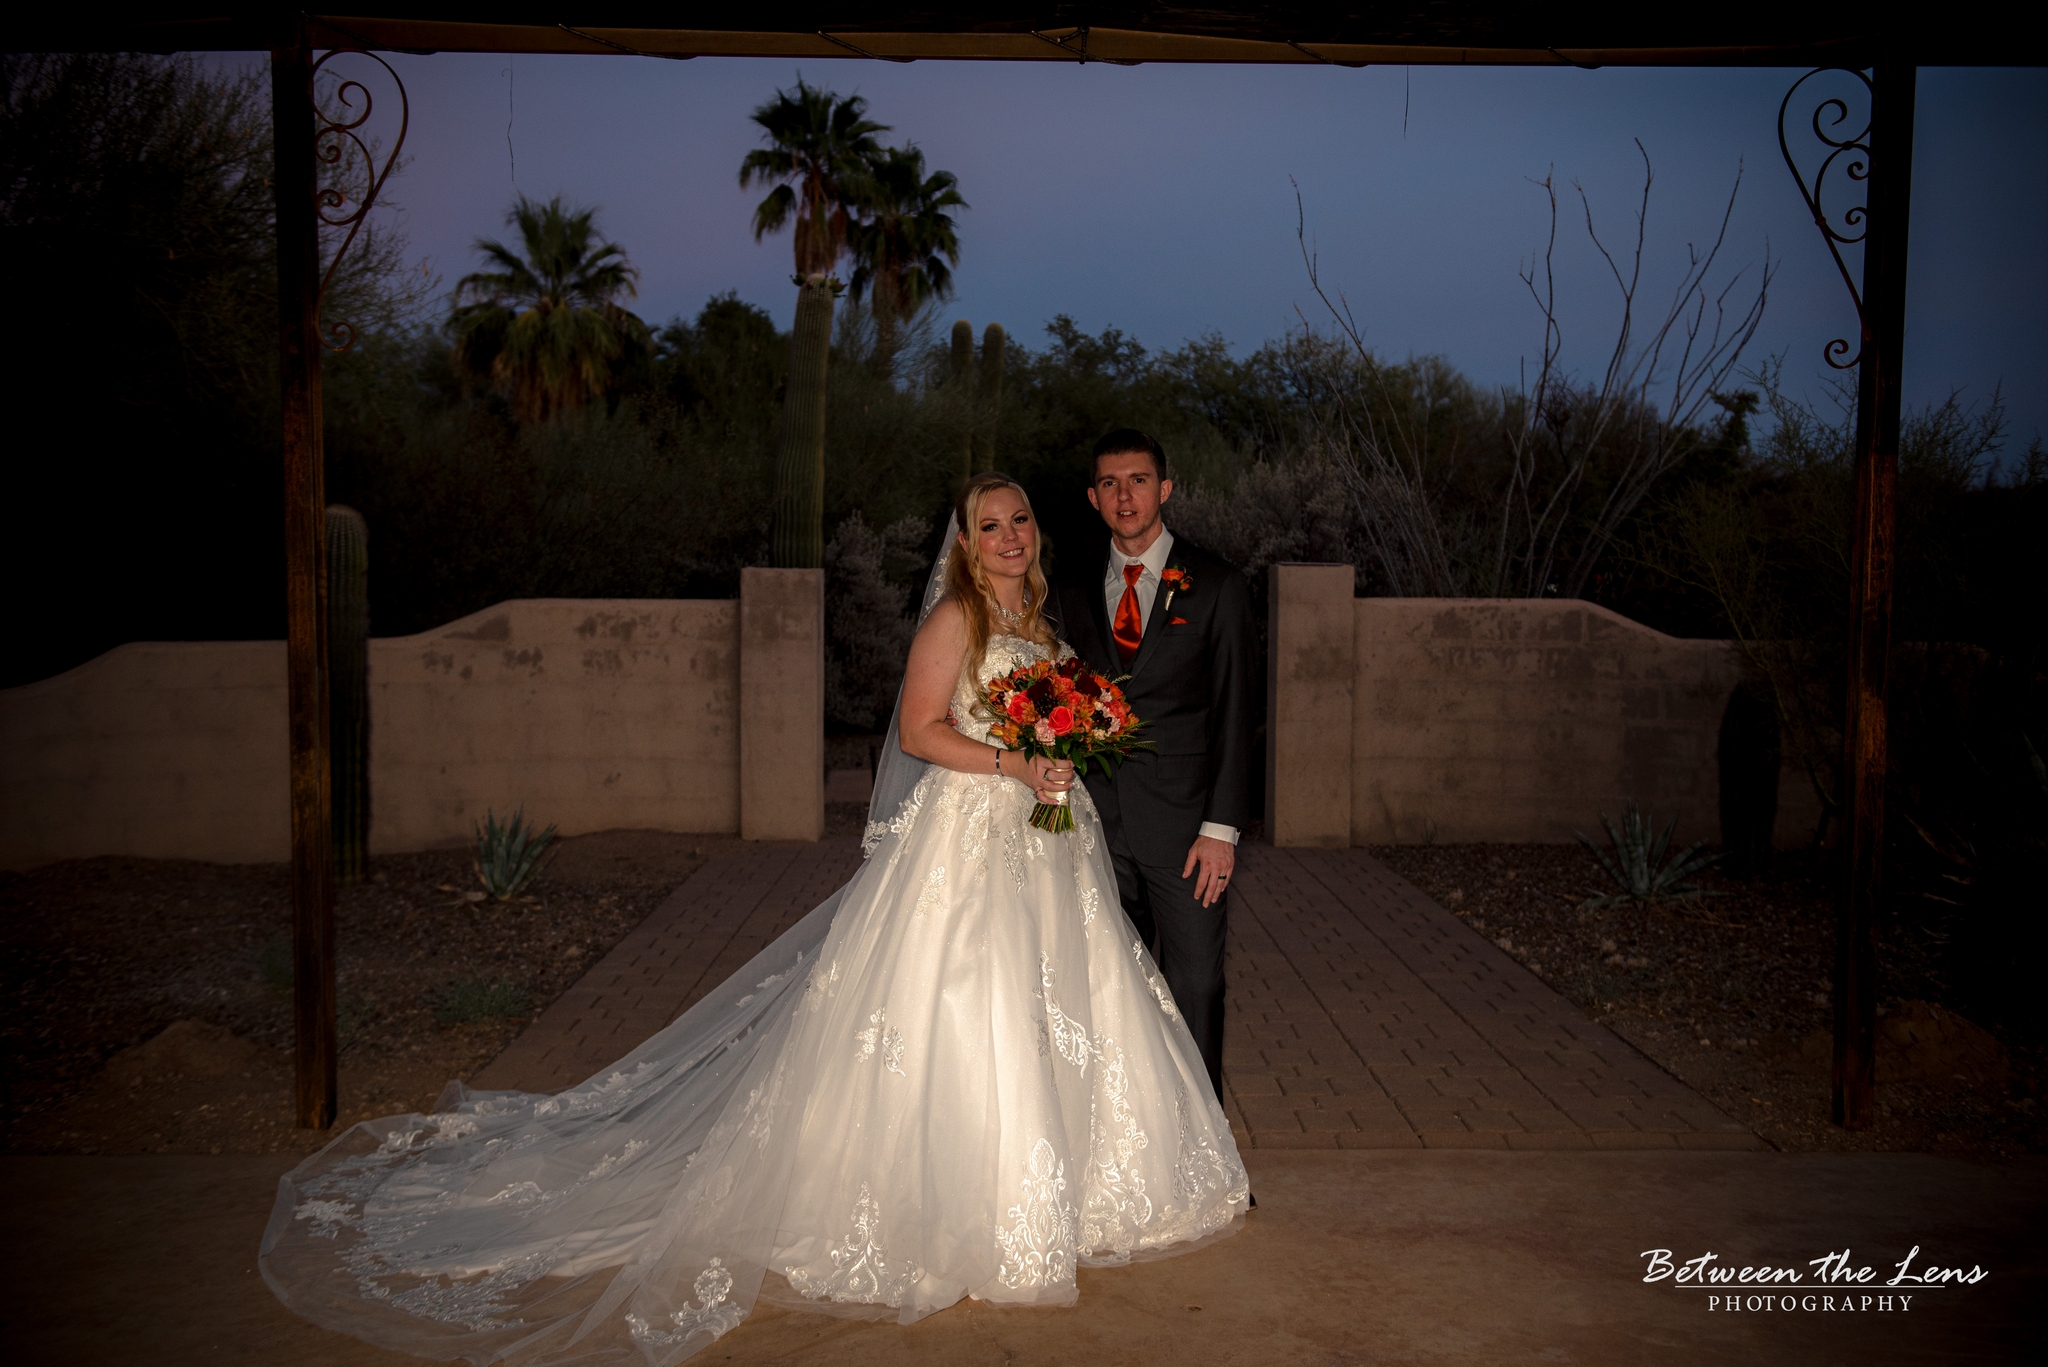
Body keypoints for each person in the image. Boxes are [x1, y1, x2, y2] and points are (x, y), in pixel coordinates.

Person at [260, 472, 1249, 1367]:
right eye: (988, 524)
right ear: (963, 541)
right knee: (964, 1005)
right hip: (967, 842)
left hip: (1041, 845)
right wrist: (1013, 764)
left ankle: (1068, 1189)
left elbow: (1052, 714)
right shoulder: (956, 619)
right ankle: (964, 1202)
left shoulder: (1039, 618)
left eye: (1020, 519)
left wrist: (1062, 754)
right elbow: (915, 729)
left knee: (1061, 1005)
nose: (1009, 535)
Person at [1052, 430, 1256, 1102]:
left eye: (1138, 480)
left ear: (1164, 488)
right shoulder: (1071, 589)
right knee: (1115, 991)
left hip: (1187, 832)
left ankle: (1208, 1158)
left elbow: (1235, 712)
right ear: (1093, 497)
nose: (1124, 495)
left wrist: (1221, 829)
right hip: (1097, 828)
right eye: (1109, 483)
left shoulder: (1218, 584)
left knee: (1196, 983)